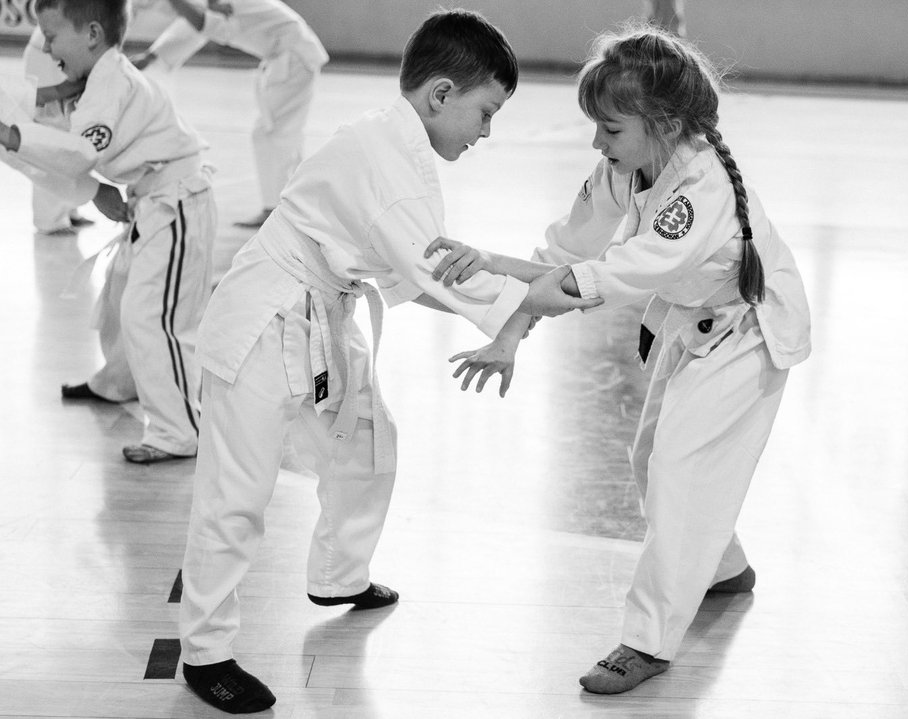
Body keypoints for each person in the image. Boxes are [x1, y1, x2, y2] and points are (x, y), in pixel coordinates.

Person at [177, 9, 600, 714]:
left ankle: (339, 575)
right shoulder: (389, 164)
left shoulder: (397, 149)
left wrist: (540, 291)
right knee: (236, 494)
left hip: (323, 311)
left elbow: (425, 276)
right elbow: (446, 277)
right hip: (263, 321)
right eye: (486, 113)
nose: (486, 132)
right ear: (441, 94)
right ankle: (204, 652)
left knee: (369, 445)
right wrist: (566, 293)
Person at [427, 25, 811, 693]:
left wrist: (503, 294)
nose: (596, 142)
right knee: (650, 458)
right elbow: (562, 256)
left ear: (663, 124)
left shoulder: (700, 191)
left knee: (680, 474)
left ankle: (648, 640)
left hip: (748, 335)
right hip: (695, 323)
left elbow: (597, 280)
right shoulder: (625, 167)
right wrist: (501, 301)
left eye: (609, 128)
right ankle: (724, 569)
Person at [0, 0, 217, 465]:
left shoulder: (111, 81)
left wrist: (15, 135)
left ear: (93, 34)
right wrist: (25, 130)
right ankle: (119, 381)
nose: (47, 49)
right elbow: (52, 138)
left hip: (178, 202)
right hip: (152, 201)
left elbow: (78, 152)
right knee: (121, 300)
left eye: (52, 38)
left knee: (153, 317)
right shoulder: (98, 77)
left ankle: (180, 429)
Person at [132, 0, 328, 228]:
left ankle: (278, 209)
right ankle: (291, 206)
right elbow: (196, 26)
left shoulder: (217, 4)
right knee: (281, 135)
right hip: (291, 56)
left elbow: (202, 22)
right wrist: (153, 55)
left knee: (273, 135)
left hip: (292, 57)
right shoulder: (210, 5)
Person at [21, 24, 94, 234]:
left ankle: (69, 209)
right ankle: (50, 220)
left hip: (65, 49)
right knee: (53, 134)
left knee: (73, 133)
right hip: (52, 54)